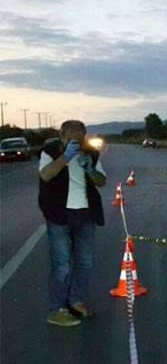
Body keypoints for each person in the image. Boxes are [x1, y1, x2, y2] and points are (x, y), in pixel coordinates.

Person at [38, 120, 107, 327]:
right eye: (71, 140)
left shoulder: (91, 153)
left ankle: (76, 301)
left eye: (80, 139)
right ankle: (56, 309)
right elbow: (45, 174)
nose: (76, 143)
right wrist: (65, 157)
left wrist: (90, 170)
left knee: (85, 262)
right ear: (62, 137)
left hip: (85, 214)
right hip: (58, 214)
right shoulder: (50, 151)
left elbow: (102, 181)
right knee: (62, 264)